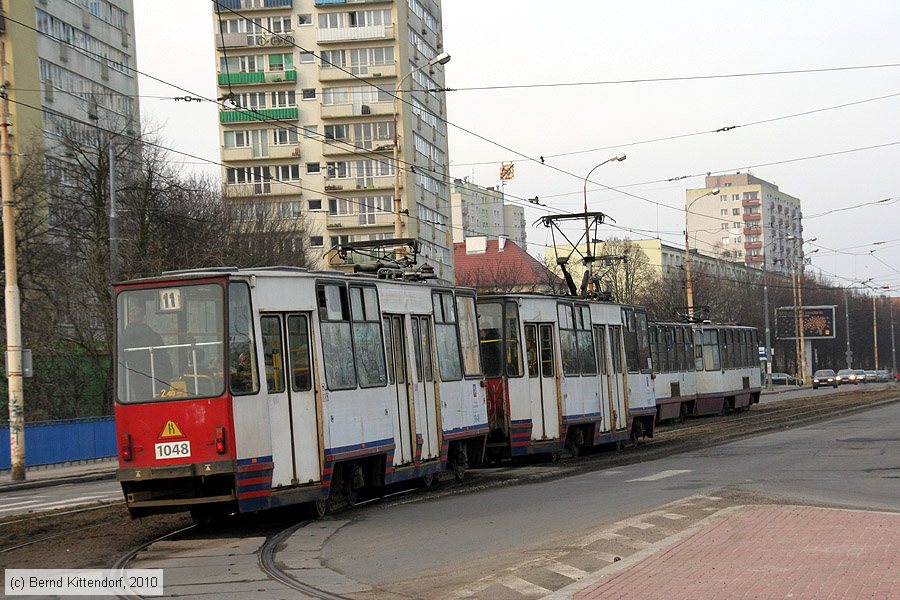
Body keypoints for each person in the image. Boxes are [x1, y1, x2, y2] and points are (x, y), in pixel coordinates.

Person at [120, 303, 172, 399]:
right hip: (157, 379)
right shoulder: (153, 336)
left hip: (136, 380)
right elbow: (164, 358)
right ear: (144, 318)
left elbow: (121, 358)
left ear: (129, 318)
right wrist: (168, 375)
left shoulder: (122, 339)